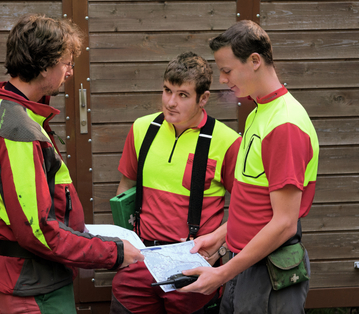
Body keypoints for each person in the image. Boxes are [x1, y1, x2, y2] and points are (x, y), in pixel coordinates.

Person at [0, 13, 143, 314]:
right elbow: (37, 231)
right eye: (66, 63)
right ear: (43, 63)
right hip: (35, 288)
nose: (70, 72)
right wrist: (112, 253)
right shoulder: (16, 129)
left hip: (31, 277)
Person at [180, 20, 320, 314]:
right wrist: (220, 236)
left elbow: (283, 223)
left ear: (255, 61)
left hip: (268, 271)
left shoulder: (285, 125)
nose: (221, 80)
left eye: (227, 70)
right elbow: (259, 207)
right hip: (244, 264)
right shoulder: (260, 111)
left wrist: (221, 273)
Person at [109, 51, 242, 314]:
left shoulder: (227, 141)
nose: (170, 102)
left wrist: (221, 246)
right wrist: (123, 249)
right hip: (140, 260)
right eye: (167, 90)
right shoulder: (141, 128)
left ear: (203, 98)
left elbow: (246, 207)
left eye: (182, 95)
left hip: (192, 266)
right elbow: (125, 188)